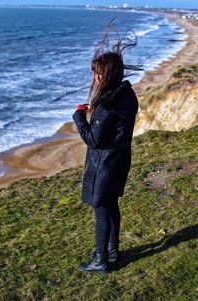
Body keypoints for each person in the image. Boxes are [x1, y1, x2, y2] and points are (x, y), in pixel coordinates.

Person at [72, 20, 140, 273]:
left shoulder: (108, 104)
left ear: (108, 74)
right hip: (119, 159)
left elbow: (94, 139)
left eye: (98, 73)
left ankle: (101, 260)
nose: (95, 77)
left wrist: (79, 118)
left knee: (101, 209)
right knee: (111, 204)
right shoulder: (126, 94)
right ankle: (112, 250)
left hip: (105, 164)